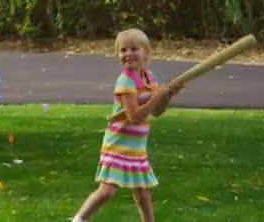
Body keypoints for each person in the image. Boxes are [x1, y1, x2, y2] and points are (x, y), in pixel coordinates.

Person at [72, 28, 183, 222]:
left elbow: (157, 111)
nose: (128, 54)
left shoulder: (150, 79)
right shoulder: (125, 82)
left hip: (136, 147)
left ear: (147, 52)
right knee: (107, 190)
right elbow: (134, 117)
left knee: (142, 192)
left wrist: (167, 95)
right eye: (123, 50)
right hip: (117, 144)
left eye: (134, 49)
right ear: (118, 55)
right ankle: (79, 219)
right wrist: (157, 96)